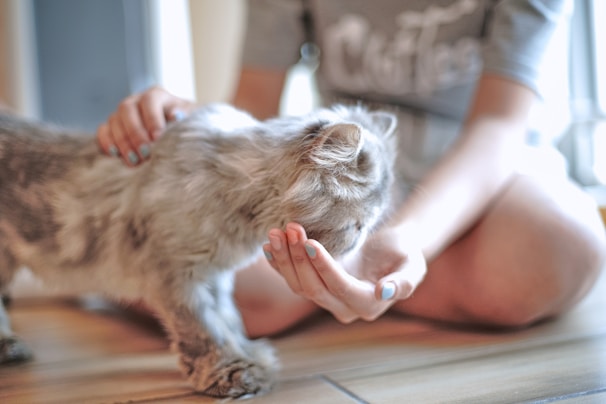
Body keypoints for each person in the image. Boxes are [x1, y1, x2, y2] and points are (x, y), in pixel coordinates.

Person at [97, 0, 606, 338]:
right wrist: (188, 127)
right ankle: (348, 283)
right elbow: (253, 106)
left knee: (566, 244)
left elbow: (498, 126)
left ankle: (329, 289)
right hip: (341, 189)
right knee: (189, 262)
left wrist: (406, 241)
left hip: (483, 182)